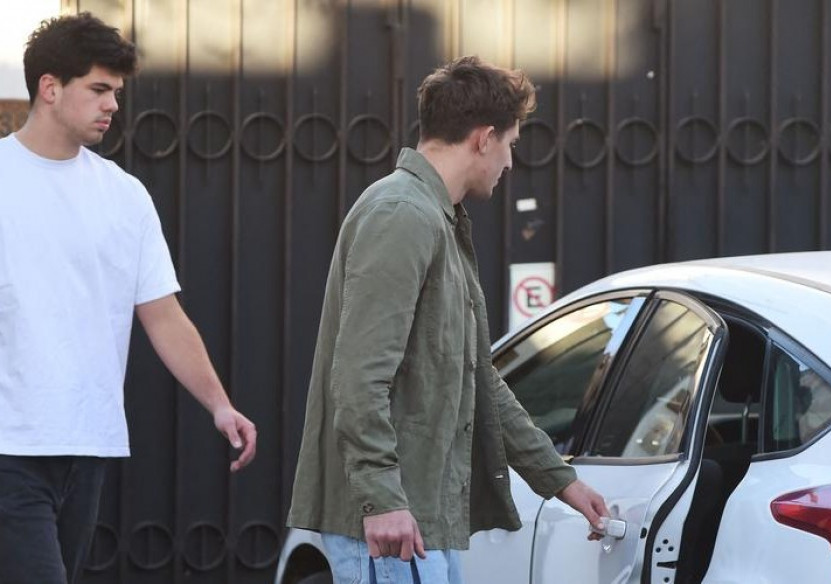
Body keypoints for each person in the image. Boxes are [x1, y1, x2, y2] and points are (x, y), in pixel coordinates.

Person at [287, 56, 609, 584]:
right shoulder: (402, 215)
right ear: (484, 138)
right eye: (510, 144)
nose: (509, 163)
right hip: (392, 526)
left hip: (416, 518)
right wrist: (382, 499)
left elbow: (479, 380)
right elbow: (358, 376)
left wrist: (561, 482)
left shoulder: (433, 217)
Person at [0, 13, 257, 584]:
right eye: (98, 89)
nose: (113, 104)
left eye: (116, 92)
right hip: (9, 444)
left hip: (88, 445)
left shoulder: (124, 196)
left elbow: (163, 315)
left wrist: (219, 404)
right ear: (49, 87)